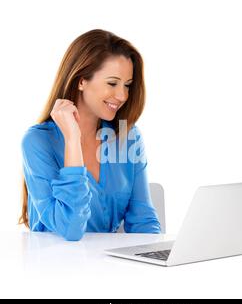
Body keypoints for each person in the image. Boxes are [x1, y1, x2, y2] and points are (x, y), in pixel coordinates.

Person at [19, 29, 161, 240]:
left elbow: (143, 221)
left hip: (107, 268)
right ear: (81, 80)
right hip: (53, 268)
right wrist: (72, 140)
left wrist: (158, 257)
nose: (122, 95)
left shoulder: (127, 137)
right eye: (112, 83)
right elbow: (70, 229)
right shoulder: (37, 142)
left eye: (127, 85)